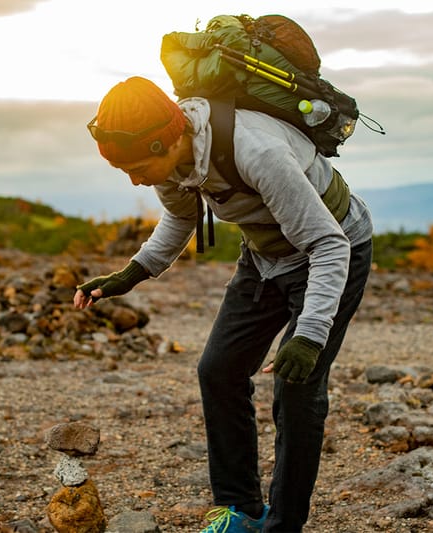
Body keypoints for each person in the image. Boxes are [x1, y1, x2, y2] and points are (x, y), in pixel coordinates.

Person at [73, 76, 373, 533]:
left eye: (135, 167)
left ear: (162, 142)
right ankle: (239, 511)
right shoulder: (174, 159)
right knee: (218, 370)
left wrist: (310, 335)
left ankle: (283, 525)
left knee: (297, 390)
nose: (135, 179)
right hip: (265, 258)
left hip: (334, 251)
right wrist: (129, 275)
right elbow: (180, 216)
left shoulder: (257, 152)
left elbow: (329, 246)